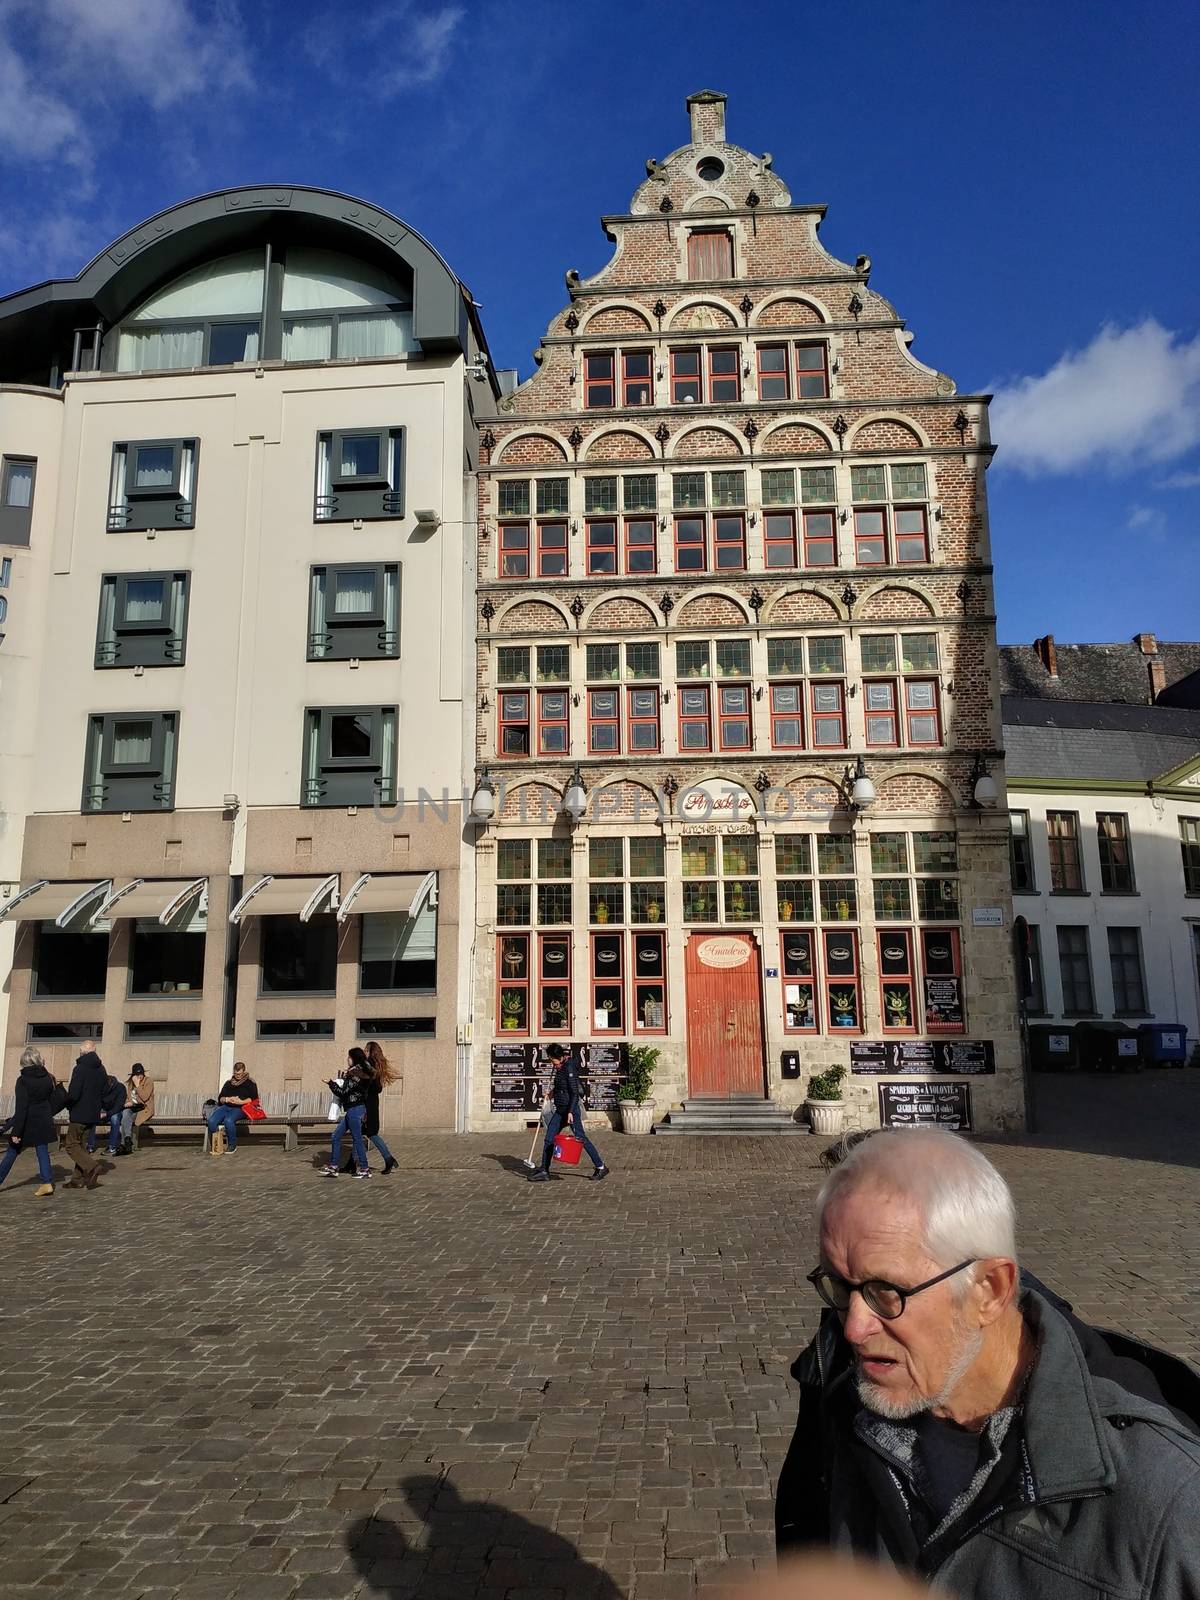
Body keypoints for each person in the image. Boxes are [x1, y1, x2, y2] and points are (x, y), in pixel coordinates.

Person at [775, 1128, 1200, 1597]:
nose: (854, 1328)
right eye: (838, 1286)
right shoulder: (841, 1396)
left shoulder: (1166, 1501)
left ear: (990, 1290)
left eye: (887, 1293)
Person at [527, 1043, 609, 1183]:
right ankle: (544, 1170)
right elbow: (561, 1087)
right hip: (560, 1110)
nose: (551, 1061)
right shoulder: (559, 1068)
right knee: (549, 1138)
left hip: (570, 1111)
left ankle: (601, 1166)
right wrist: (551, 1093)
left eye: (551, 1059)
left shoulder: (568, 1067)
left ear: (558, 1057)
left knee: (581, 1138)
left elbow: (574, 1092)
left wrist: (571, 1112)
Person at [0, 1046, 59, 1198]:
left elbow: (22, 1107)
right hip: (44, 1118)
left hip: (28, 1120)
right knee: (42, 1149)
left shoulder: (23, 1080)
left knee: (12, 1151)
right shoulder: (48, 1078)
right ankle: (47, 1182)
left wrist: (16, 1131)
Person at [341, 1041, 399, 1174]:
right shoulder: (369, 1065)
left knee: (371, 1133)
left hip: (368, 1105)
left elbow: (377, 1087)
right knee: (359, 1133)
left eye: (366, 1050)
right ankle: (352, 1163)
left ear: (371, 1052)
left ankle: (389, 1159)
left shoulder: (370, 1065)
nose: (364, 1052)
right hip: (368, 1104)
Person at [63, 1039, 109, 1189]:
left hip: (79, 1113)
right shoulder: (101, 1069)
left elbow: (74, 1093)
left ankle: (92, 1166)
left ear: (82, 1052)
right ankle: (77, 1179)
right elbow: (105, 1091)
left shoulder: (80, 1068)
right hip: (93, 1113)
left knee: (71, 1145)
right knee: (81, 1147)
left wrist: (67, 1103)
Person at [323, 1048, 372, 1178]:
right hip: (354, 1109)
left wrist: (331, 1084)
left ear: (354, 1058)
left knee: (357, 1139)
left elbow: (343, 1094)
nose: (347, 1059)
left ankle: (365, 1168)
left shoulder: (355, 1074)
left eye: (349, 1057)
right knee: (336, 1136)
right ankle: (333, 1166)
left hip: (355, 1110)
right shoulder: (360, 1072)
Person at [205, 1061, 259, 1154]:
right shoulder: (229, 1083)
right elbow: (220, 1098)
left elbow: (254, 1098)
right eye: (235, 1074)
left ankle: (232, 1145)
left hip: (241, 1108)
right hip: (226, 1106)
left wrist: (240, 1101)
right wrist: (227, 1099)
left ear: (244, 1071)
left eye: (239, 1074)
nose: (237, 1076)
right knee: (211, 1121)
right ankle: (219, 1143)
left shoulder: (250, 1082)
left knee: (228, 1121)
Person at [118, 1063, 155, 1154]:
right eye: (137, 1075)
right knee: (126, 1114)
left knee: (126, 1119)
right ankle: (127, 1139)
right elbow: (128, 1097)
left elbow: (145, 1097)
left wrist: (138, 1085)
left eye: (141, 1074)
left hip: (144, 1109)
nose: (139, 1076)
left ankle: (124, 1145)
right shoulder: (130, 1083)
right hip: (133, 1108)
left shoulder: (148, 1081)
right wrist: (127, 1102)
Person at [88, 1071, 126, 1156]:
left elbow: (119, 1106)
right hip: (103, 1110)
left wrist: (106, 1114)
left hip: (115, 1111)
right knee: (91, 1118)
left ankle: (111, 1146)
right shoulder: (100, 1087)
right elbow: (95, 1102)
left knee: (115, 1119)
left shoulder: (120, 1088)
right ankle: (90, 1145)